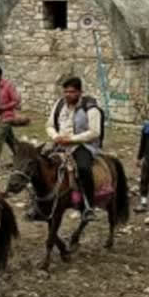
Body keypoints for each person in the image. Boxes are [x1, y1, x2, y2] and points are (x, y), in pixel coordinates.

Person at [45, 77, 103, 222]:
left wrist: (70, 139)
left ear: (79, 92)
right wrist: (56, 136)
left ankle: (88, 206)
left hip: (82, 145)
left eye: (71, 92)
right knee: (39, 163)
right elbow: (49, 125)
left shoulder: (90, 107)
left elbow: (95, 132)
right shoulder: (59, 104)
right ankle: (39, 202)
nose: (67, 95)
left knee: (83, 168)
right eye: (65, 91)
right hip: (60, 143)